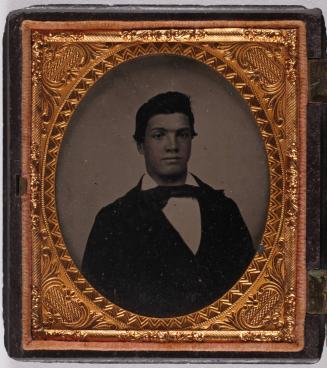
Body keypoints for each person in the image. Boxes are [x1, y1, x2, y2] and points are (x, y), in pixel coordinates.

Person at [82, 91, 255, 317]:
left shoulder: (225, 210)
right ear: (140, 145)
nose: (172, 146)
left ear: (191, 139)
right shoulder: (112, 220)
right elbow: (96, 308)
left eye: (182, 134)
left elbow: (250, 291)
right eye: (159, 135)